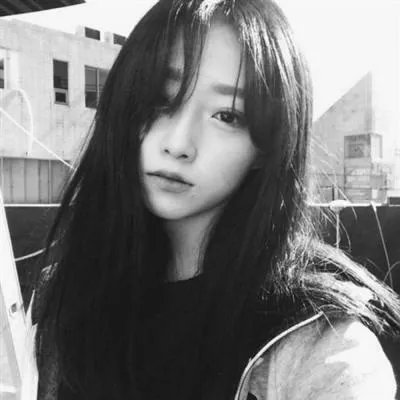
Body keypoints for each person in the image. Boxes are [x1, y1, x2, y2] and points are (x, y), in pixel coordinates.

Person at [28, 0, 400, 399]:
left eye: (227, 115)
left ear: (267, 145)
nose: (178, 144)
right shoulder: (70, 292)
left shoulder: (320, 349)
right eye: (160, 99)